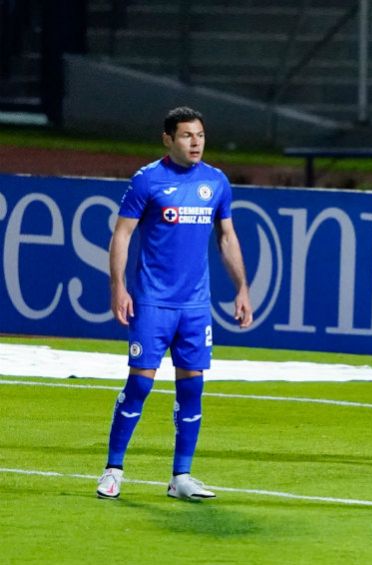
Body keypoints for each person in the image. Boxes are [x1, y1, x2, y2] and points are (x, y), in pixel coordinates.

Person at [96, 106, 253, 500]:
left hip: (196, 306)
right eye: (186, 135)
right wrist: (119, 287)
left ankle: (180, 476)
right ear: (168, 139)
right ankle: (113, 468)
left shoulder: (216, 182)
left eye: (199, 134)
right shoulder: (147, 180)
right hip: (152, 303)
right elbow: (122, 235)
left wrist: (242, 289)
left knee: (193, 389)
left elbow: (227, 238)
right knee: (139, 385)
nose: (195, 142)